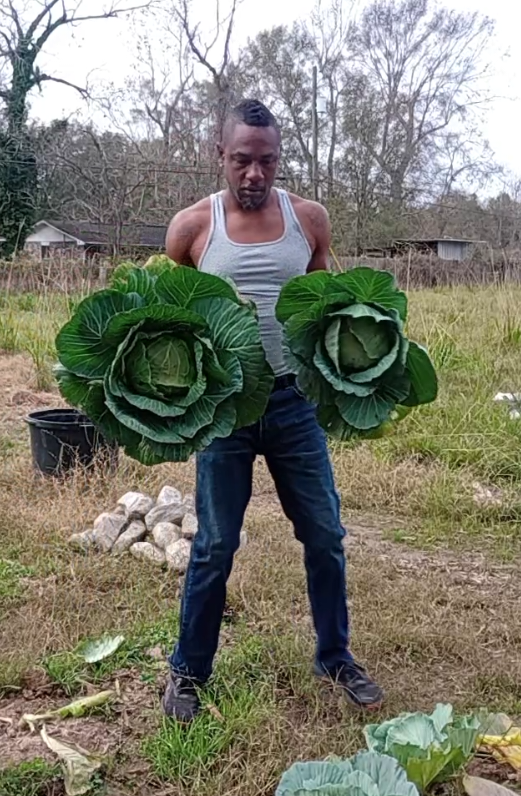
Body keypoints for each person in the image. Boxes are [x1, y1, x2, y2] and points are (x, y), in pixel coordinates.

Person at [161, 98, 384, 722]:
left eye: (267, 161)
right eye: (241, 161)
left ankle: (335, 656)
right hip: (227, 410)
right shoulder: (190, 228)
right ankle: (187, 671)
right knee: (215, 544)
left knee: (325, 534)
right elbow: (168, 312)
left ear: (279, 159)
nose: (254, 174)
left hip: (294, 404)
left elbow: (321, 309)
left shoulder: (309, 220)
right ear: (220, 156)